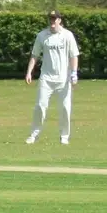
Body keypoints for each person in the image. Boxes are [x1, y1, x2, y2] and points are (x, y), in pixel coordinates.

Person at [25, 10, 79, 145]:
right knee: (40, 107)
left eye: (55, 19)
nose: (52, 21)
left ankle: (64, 136)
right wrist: (29, 72)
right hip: (46, 78)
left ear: (60, 20)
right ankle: (34, 135)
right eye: (50, 19)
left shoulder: (67, 35)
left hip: (63, 79)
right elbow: (34, 55)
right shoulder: (42, 35)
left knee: (65, 108)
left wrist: (74, 73)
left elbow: (74, 55)